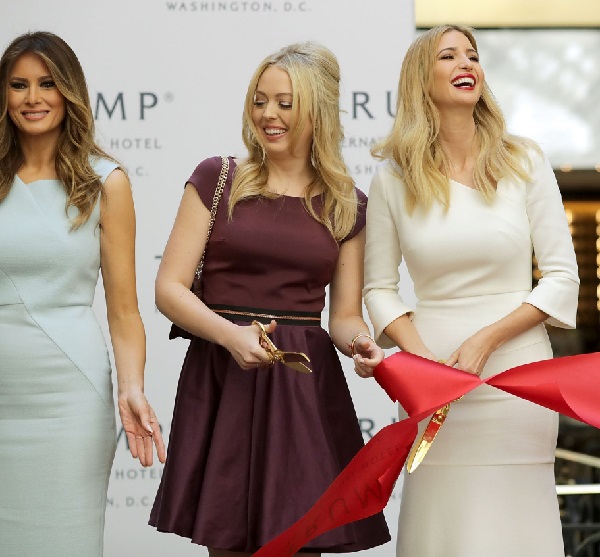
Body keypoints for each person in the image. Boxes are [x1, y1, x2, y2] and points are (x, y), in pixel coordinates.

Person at [149, 42, 391, 556]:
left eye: (285, 102)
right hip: (223, 376)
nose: (268, 115)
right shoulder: (218, 178)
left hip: (303, 388)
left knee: (301, 543)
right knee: (230, 543)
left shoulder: (347, 202)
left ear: (317, 112)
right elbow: (169, 288)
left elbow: (344, 316)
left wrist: (364, 344)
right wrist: (230, 336)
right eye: (260, 100)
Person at [363, 24, 579, 557]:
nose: (467, 64)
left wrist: (487, 340)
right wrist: (425, 366)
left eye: (473, 55)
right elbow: (378, 288)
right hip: (432, 393)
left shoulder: (524, 160)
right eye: (449, 55)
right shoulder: (394, 178)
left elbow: (561, 276)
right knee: (444, 530)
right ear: (421, 78)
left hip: (518, 382)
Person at [0, 31, 166, 557]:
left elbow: (123, 311)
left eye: (47, 83)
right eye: (18, 85)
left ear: (69, 91)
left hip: (68, 397)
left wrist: (132, 386)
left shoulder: (104, 182)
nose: (33, 98)